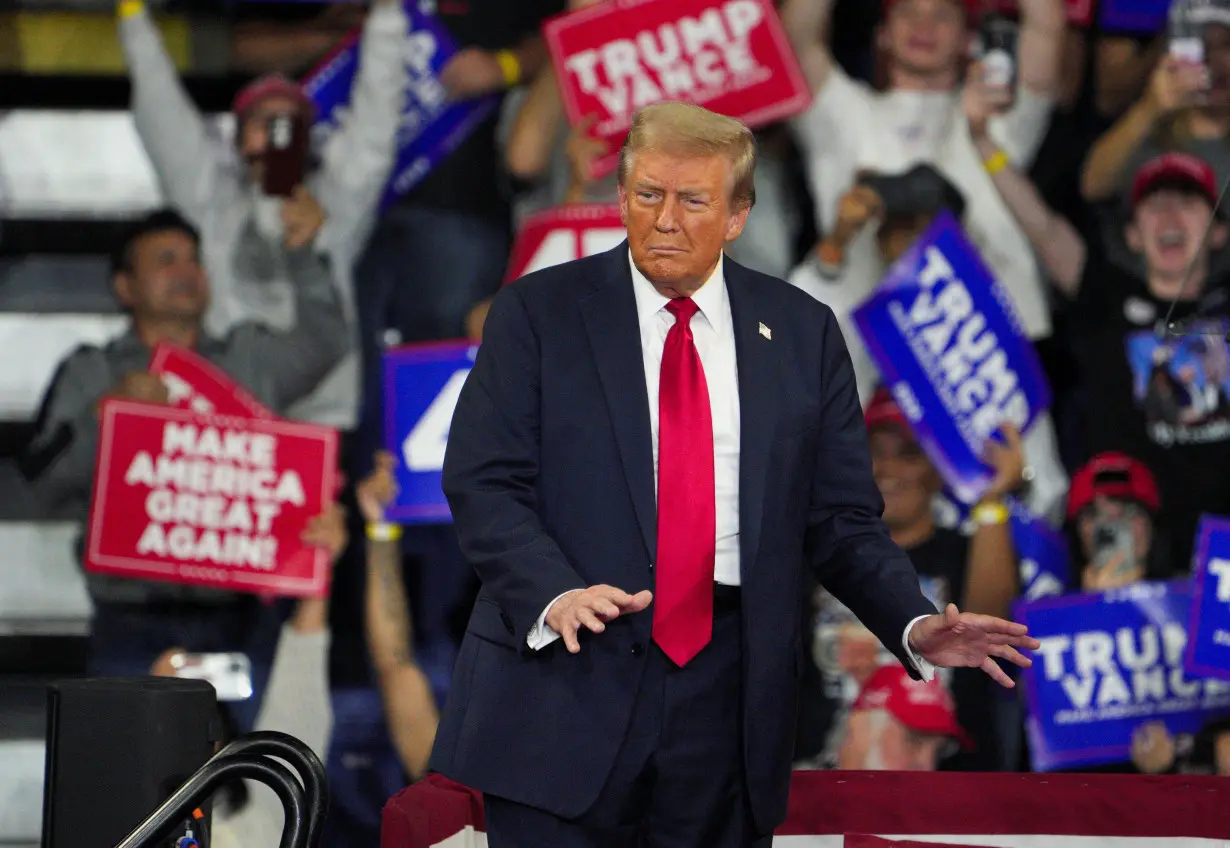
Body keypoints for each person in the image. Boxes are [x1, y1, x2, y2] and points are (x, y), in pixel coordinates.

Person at [433, 102, 1039, 846]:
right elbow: (483, 481)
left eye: (693, 201)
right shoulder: (538, 312)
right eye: (648, 194)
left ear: (738, 215)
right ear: (620, 196)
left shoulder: (801, 332)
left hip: (728, 700)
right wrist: (552, 592)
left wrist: (911, 621)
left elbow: (841, 520)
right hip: (564, 683)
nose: (664, 219)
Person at [19, 207, 347, 729]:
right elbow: (42, 485)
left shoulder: (248, 358)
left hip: (239, 619)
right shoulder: (93, 372)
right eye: (165, 260)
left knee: (251, 787)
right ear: (124, 287)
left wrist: (304, 257)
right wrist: (105, 415)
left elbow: (327, 344)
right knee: (126, 784)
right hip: (131, 620)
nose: (186, 271)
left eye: (194, 260)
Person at [118, 0, 405, 431]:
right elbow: (162, 112)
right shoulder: (210, 203)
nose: (276, 133)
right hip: (223, 410)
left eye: (289, 123)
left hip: (321, 419)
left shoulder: (337, 201)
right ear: (236, 140)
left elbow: (376, 122)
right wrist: (132, 14)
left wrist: (387, 15)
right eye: (262, 121)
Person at [798, 388, 1022, 772]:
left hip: (944, 786)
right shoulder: (814, 552)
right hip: (822, 785)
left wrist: (992, 496)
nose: (886, 470)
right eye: (874, 452)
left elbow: (991, 628)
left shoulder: (969, 552)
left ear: (938, 468)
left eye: (908, 454)